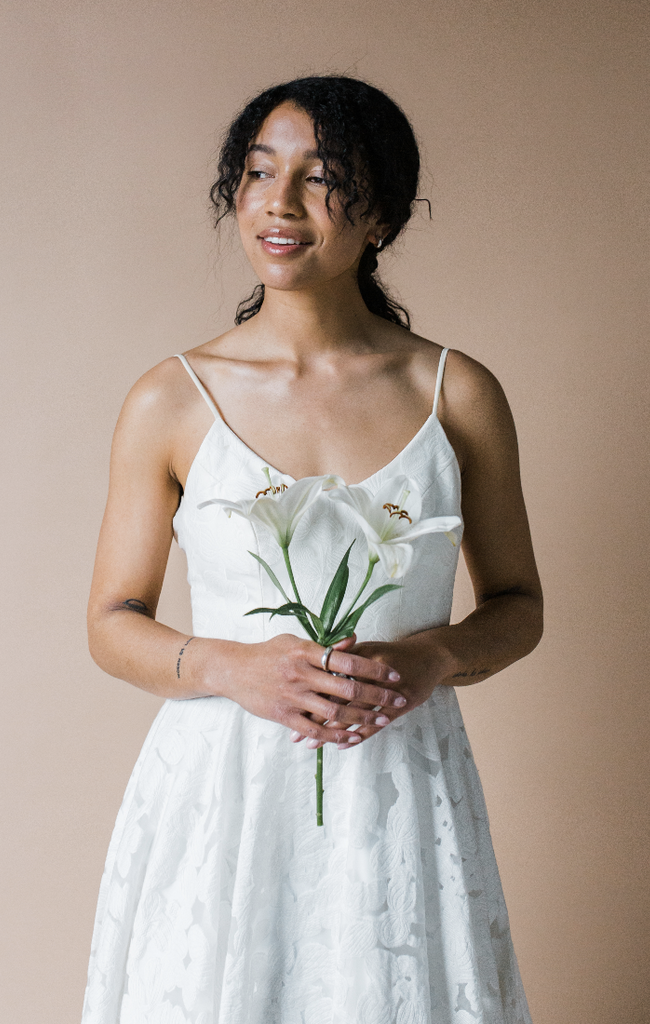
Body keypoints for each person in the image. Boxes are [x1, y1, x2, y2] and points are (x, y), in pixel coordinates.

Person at [81, 76, 542, 1024]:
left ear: (380, 215)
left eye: (320, 178)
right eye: (257, 173)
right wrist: (230, 667)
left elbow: (518, 603)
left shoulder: (456, 393)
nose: (278, 204)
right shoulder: (170, 398)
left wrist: (432, 655)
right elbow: (109, 621)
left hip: (401, 782)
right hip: (221, 792)